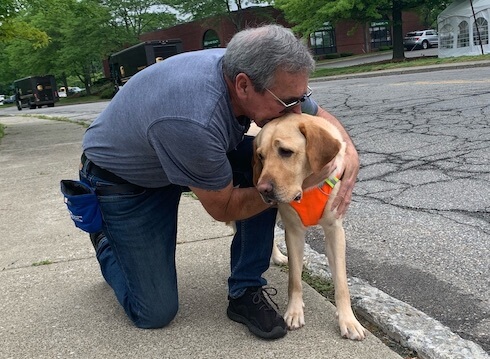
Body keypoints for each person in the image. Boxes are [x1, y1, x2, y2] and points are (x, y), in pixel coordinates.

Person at [79, 24, 359, 340]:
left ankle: (245, 288)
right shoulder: (195, 119)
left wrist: (349, 152)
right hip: (126, 181)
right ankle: (107, 241)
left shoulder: (256, 68)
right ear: (243, 86)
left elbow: (315, 113)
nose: (295, 110)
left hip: (184, 150)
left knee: (263, 173)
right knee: (154, 312)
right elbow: (224, 207)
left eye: (300, 97)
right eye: (287, 103)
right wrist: (287, 188)